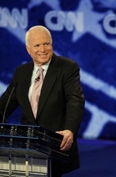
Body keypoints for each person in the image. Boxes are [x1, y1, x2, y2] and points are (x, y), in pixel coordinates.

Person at [0, 25, 85, 176]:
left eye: (46, 43)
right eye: (37, 45)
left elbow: (75, 100)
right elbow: (5, 104)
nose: (43, 49)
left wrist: (70, 129)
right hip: (27, 145)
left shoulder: (67, 68)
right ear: (28, 49)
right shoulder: (21, 72)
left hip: (55, 143)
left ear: (52, 44)